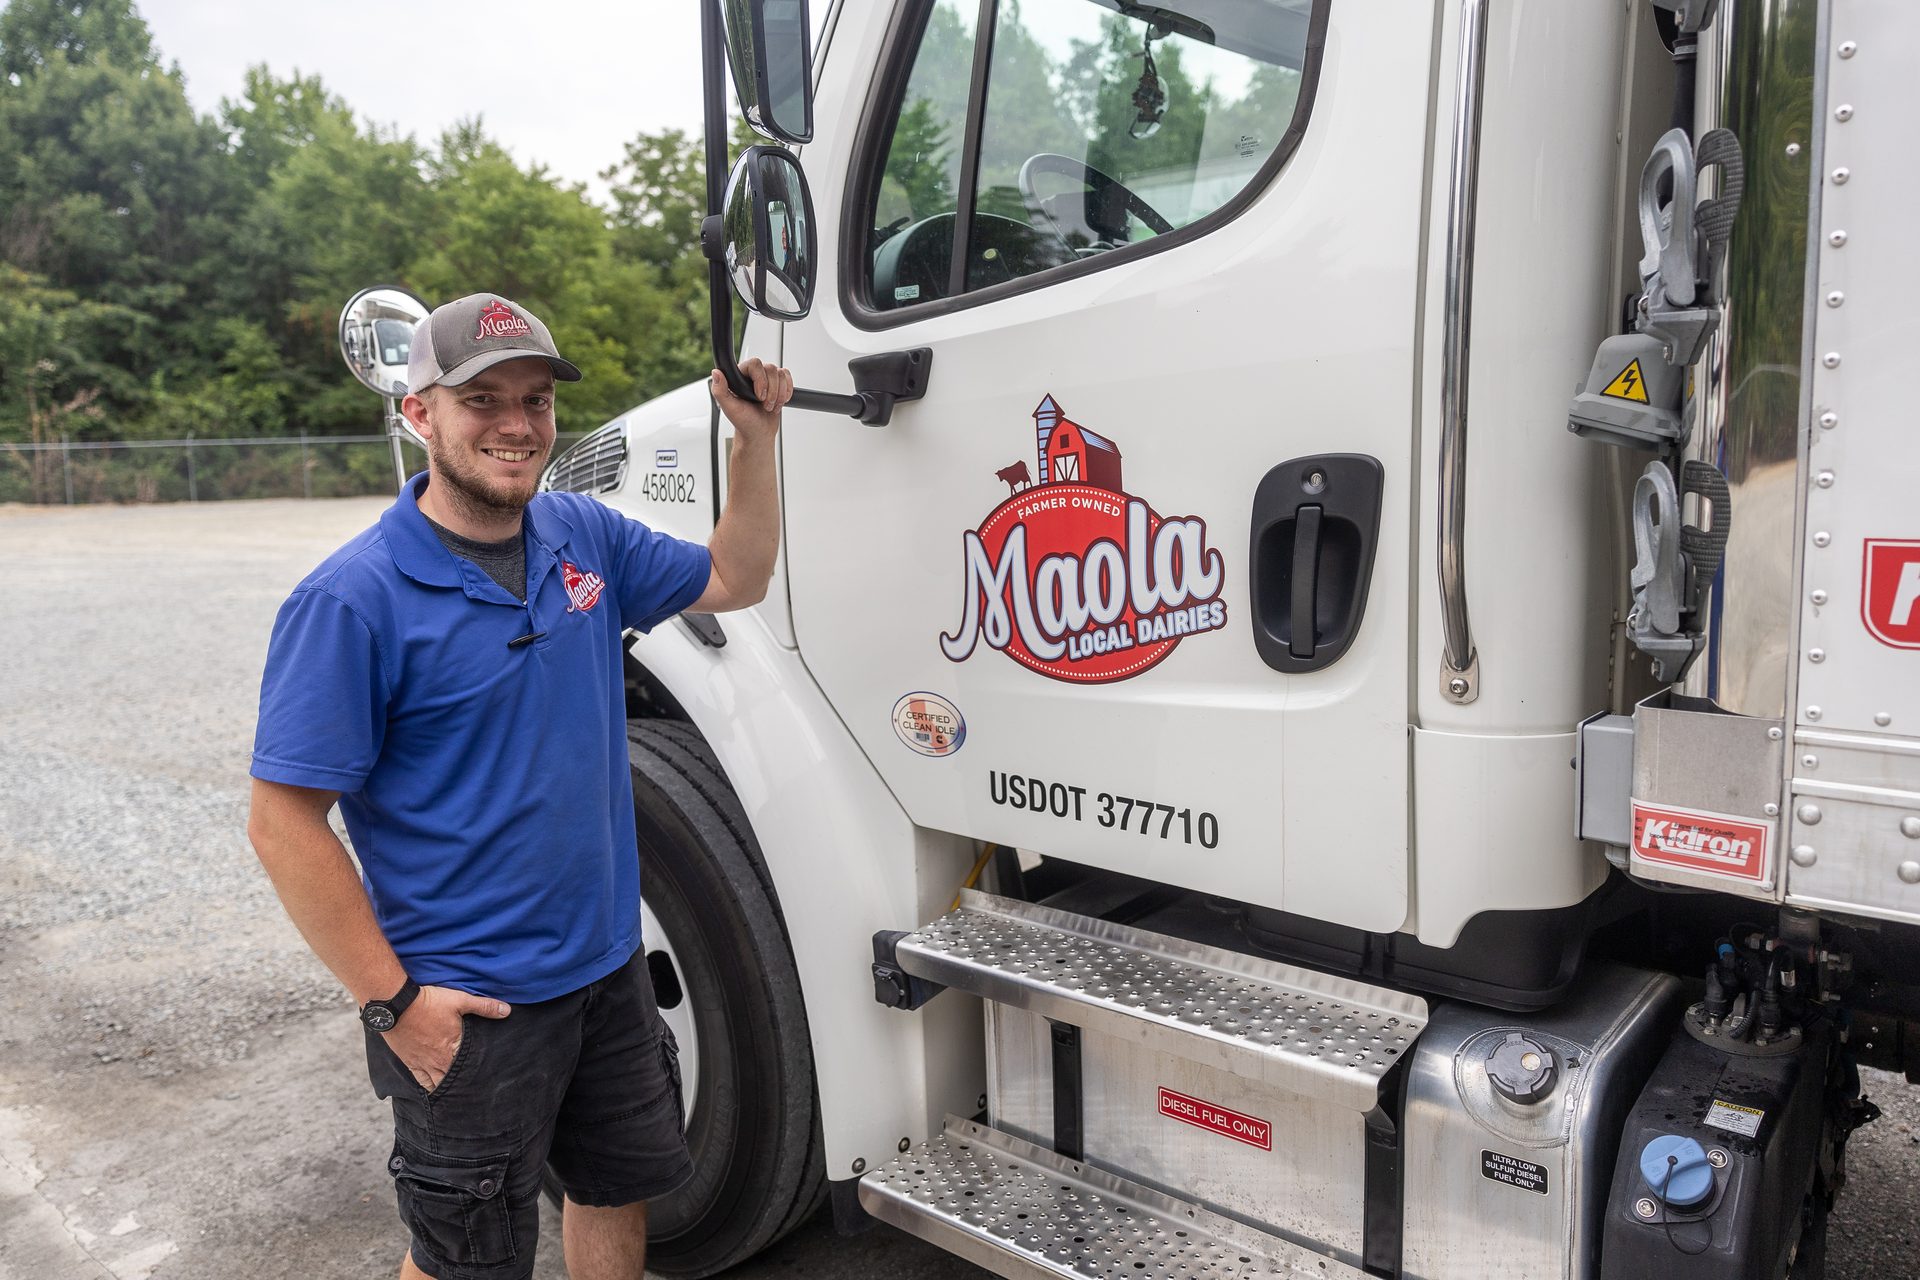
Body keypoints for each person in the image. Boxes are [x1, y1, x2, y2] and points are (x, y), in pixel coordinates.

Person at [245, 292, 792, 1280]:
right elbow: (283, 825)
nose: (516, 425)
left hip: (608, 971)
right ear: (420, 416)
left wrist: (756, 441)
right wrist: (395, 1003)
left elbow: (736, 574)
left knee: (614, 1187)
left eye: (535, 400)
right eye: (482, 398)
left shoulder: (583, 535)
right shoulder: (350, 600)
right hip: (472, 1005)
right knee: (463, 1257)